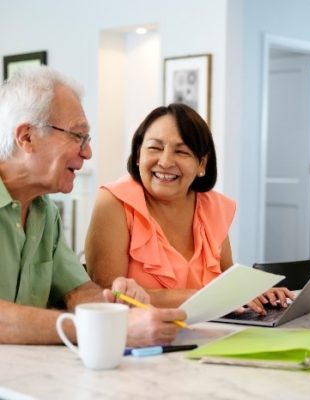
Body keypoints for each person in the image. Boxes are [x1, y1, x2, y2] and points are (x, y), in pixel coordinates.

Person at [0, 66, 185, 346]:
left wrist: (116, 306)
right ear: (26, 137)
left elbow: (79, 291)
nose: (88, 152)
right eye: (78, 136)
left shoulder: (44, 211)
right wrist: (107, 329)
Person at [85, 103, 294, 313]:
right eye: (155, 148)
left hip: (216, 332)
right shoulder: (113, 202)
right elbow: (108, 293)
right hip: (146, 337)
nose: (166, 162)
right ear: (139, 153)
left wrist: (254, 292)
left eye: (182, 151)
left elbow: (227, 281)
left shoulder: (212, 207)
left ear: (202, 164)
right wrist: (208, 297)